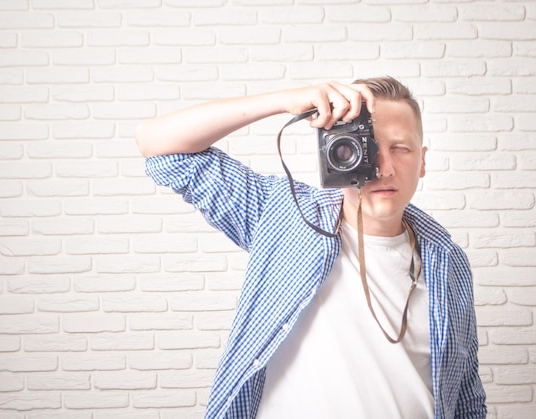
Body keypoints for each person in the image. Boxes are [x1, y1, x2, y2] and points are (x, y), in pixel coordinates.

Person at [135, 76, 487, 419]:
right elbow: (157, 145)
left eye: (400, 148)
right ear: (335, 155)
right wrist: (283, 101)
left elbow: (466, 395)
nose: (384, 167)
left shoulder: (448, 261)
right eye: (366, 148)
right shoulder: (285, 216)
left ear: (423, 161)